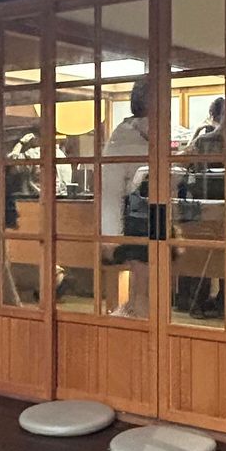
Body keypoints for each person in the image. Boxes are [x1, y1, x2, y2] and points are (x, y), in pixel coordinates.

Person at [102, 78, 151, 318]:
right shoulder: (125, 137)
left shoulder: (135, 133)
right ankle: (136, 321)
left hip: (147, 216)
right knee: (143, 286)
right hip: (137, 219)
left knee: (143, 285)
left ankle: (133, 316)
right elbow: (111, 190)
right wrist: (111, 234)